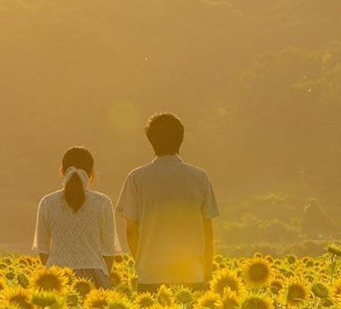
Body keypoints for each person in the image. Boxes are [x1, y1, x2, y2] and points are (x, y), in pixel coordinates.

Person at [115, 112, 219, 292]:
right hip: (190, 273)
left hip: (151, 274)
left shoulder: (136, 178)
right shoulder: (199, 177)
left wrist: (143, 265)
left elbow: (131, 231)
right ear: (181, 139)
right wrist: (207, 271)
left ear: (151, 141)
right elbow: (207, 232)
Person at [32, 146, 120, 288]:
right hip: (94, 276)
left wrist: (54, 273)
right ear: (91, 173)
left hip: (57, 277)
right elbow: (109, 251)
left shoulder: (47, 202)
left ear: (62, 171)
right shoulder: (103, 202)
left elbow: (43, 249)